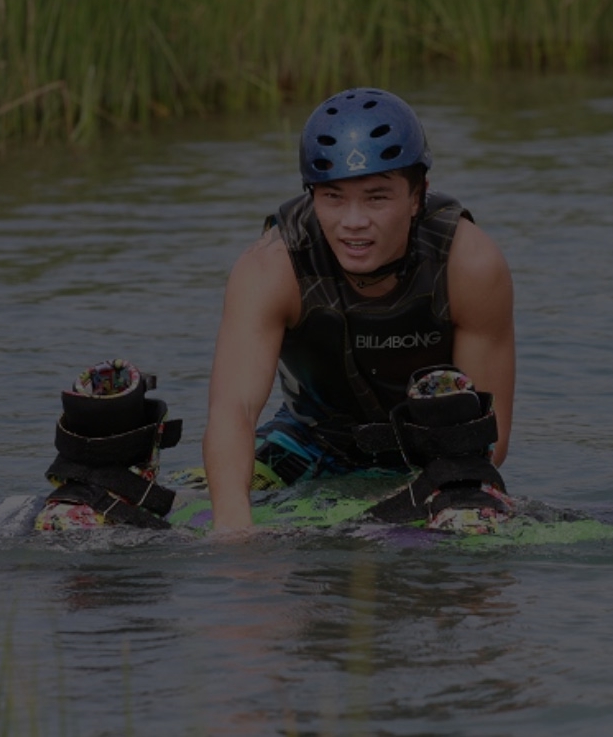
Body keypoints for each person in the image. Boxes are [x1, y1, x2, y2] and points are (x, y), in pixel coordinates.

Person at [203, 87, 516, 533]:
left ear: (416, 196)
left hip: (435, 451)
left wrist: (409, 493)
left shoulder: (471, 264)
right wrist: (234, 527)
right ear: (311, 195)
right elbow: (233, 410)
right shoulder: (269, 268)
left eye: (376, 197)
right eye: (333, 197)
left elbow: (492, 435)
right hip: (308, 442)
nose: (353, 221)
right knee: (213, 494)